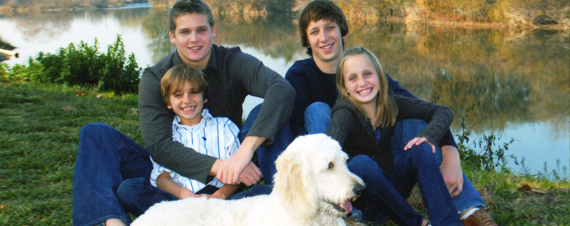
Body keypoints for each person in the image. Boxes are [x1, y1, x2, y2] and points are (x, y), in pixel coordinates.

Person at [72, 0, 295, 225]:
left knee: (265, 111)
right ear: (172, 36)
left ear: (213, 31)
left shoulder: (233, 62)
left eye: (201, 30)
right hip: (174, 176)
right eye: (185, 32)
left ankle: (279, 207)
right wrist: (221, 166)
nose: (194, 39)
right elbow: (160, 147)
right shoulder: (155, 77)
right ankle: (112, 221)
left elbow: (282, 89)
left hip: (229, 175)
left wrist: (242, 155)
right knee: (96, 134)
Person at [285, 1, 496, 225]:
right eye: (315, 31)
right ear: (306, 39)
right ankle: (336, 208)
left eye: (330, 27)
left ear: (341, 30)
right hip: (342, 171)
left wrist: (450, 150)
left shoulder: (371, 75)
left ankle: (467, 210)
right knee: (319, 111)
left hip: (385, 175)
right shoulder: (301, 76)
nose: (324, 37)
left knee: (413, 126)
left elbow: (426, 109)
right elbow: (294, 133)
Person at [328, 46, 461, 225]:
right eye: (353, 78)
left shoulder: (390, 103)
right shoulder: (344, 114)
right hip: (360, 205)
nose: (362, 83)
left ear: (379, 76)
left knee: (420, 147)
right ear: (344, 87)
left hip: (391, 196)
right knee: (361, 162)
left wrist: (429, 136)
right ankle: (417, 223)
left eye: (368, 74)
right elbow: (328, 152)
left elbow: (442, 111)